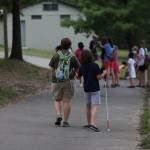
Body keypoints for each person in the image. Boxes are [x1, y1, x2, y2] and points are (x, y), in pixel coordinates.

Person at [49, 38, 80, 127]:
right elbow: (78, 69)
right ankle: (66, 121)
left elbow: (52, 69)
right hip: (69, 81)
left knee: (57, 100)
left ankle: (59, 114)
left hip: (56, 81)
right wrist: (77, 75)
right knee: (67, 102)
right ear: (70, 45)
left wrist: (54, 77)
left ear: (61, 45)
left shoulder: (56, 55)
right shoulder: (72, 56)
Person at [76, 50, 107, 132]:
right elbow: (98, 77)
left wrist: (75, 73)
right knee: (95, 105)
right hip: (95, 89)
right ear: (91, 56)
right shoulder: (95, 66)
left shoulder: (82, 67)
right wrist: (104, 73)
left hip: (86, 89)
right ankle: (93, 124)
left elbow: (78, 77)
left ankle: (89, 123)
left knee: (88, 106)